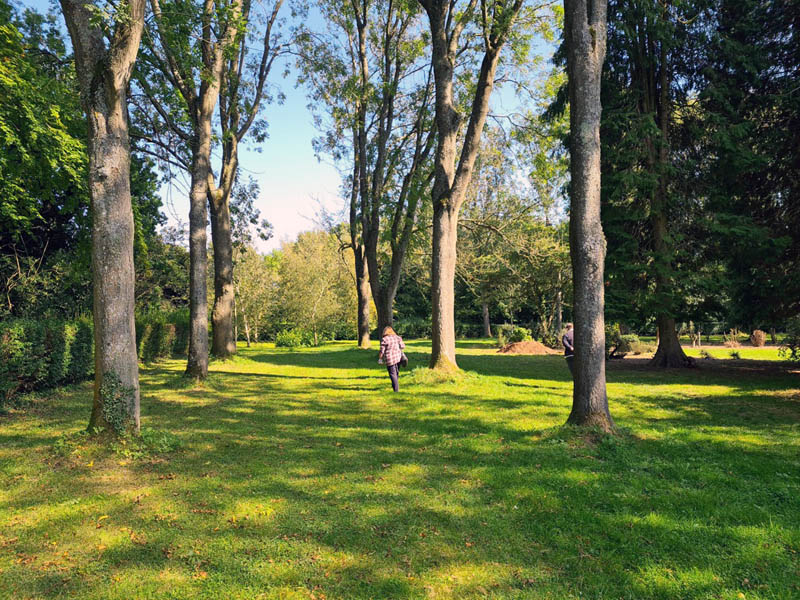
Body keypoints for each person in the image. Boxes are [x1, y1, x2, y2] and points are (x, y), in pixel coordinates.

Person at [378, 326, 405, 392]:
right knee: (396, 373)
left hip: (390, 359)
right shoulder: (398, 338)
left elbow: (382, 350)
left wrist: (380, 359)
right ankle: (395, 385)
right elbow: (403, 346)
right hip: (398, 357)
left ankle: (396, 390)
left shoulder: (385, 339)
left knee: (392, 374)